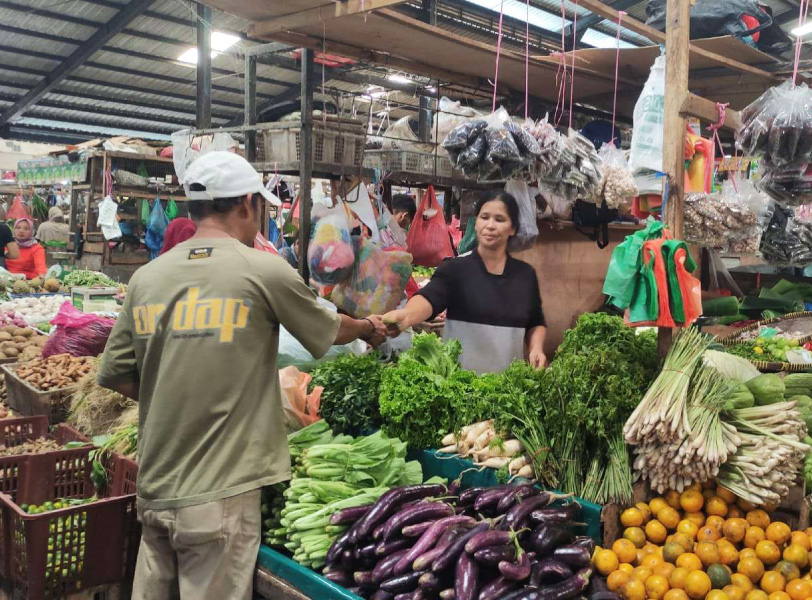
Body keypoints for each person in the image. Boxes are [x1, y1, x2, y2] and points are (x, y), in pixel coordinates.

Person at [96, 151, 387, 600]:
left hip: (156, 487)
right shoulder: (261, 268)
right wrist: (371, 328)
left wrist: (177, 396)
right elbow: (331, 330)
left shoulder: (147, 279)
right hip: (221, 495)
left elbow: (116, 375)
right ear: (247, 204)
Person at [383, 191, 547, 374]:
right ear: (476, 223)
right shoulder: (455, 269)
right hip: (459, 386)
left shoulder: (525, 275)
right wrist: (406, 316)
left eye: (500, 219)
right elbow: (429, 297)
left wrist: (536, 348)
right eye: (484, 217)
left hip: (506, 388)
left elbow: (535, 321)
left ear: (513, 228)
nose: (490, 225)